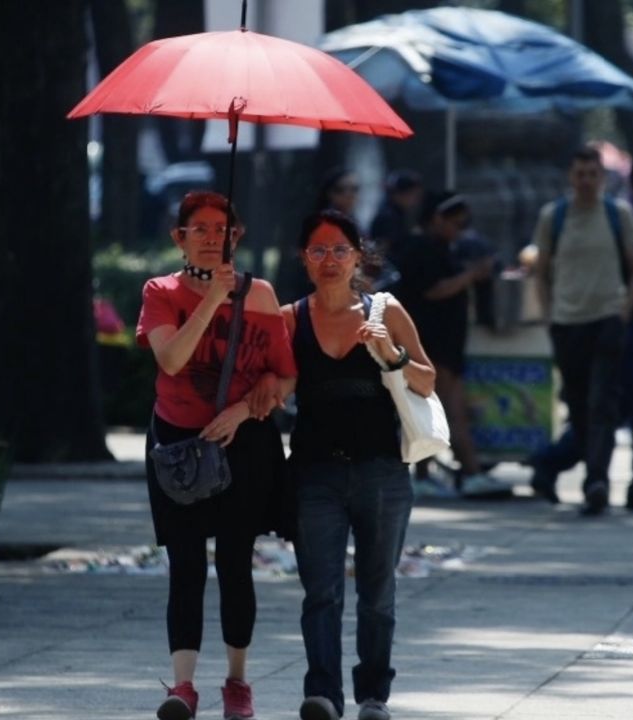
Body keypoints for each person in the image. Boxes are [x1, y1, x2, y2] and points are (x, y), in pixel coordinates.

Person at [263, 209, 436, 720]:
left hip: (382, 472)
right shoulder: (290, 318)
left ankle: (374, 695)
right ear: (304, 258)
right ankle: (323, 694)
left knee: (377, 594)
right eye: (318, 250)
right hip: (314, 474)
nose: (330, 260)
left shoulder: (385, 309)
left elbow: (427, 381)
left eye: (340, 249)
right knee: (321, 592)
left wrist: (389, 352)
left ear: (358, 256)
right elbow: (276, 384)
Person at [136, 191, 297, 720]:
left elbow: (286, 375)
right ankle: (183, 687)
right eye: (199, 229)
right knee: (185, 565)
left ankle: (237, 682)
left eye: (221, 229)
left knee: (234, 562)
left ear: (237, 236)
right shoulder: (160, 292)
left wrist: (249, 406)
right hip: (178, 443)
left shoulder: (262, 295)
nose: (211, 238)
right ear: (178, 239)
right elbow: (172, 358)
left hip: (242, 442)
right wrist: (212, 299)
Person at [532, 147, 633, 516]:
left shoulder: (618, 213)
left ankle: (597, 480)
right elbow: (541, 272)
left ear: (602, 178)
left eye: (592, 174)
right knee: (578, 404)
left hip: (607, 318)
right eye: (580, 174)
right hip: (567, 322)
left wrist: (625, 310)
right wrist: (548, 315)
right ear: (571, 176)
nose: (585, 181)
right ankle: (563, 467)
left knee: (602, 403)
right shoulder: (554, 216)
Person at [395, 192, 510, 497]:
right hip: (433, 345)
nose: (459, 230)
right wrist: (471, 275)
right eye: (455, 224)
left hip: (443, 344)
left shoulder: (443, 248)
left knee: (430, 411)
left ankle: (425, 475)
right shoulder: (420, 248)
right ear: (437, 219)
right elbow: (434, 290)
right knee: (450, 409)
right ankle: (469, 473)